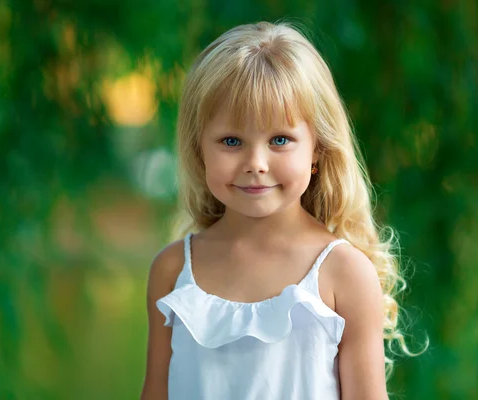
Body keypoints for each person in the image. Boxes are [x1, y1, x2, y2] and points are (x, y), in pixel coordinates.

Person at [141, 21, 423, 400]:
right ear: (198, 149)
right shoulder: (172, 270)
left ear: (317, 150)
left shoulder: (344, 273)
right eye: (231, 140)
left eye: (279, 140)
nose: (256, 162)